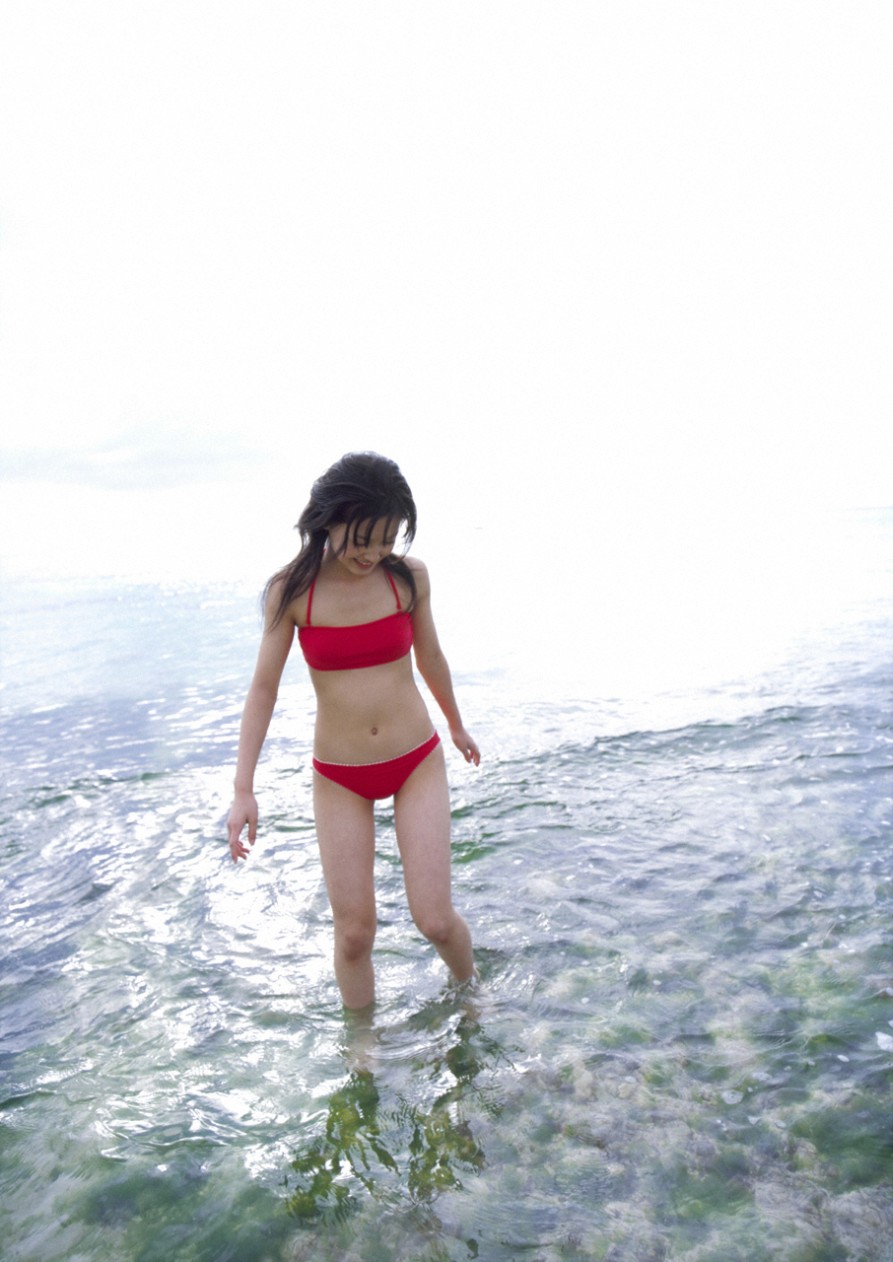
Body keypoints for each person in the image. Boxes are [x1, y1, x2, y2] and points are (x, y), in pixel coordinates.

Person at [227, 452, 479, 1011]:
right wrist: (244, 788)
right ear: (330, 520)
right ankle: (362, 1045)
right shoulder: (293, 591)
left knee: (435, 920)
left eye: (388, 539)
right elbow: (263, 689)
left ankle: (472, 997)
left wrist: (457, 725)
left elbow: (431, 657)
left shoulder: (407, 579)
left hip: (415, 760)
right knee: (354, 935)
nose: (373, 553)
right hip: (340, 775)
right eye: (363, 539)